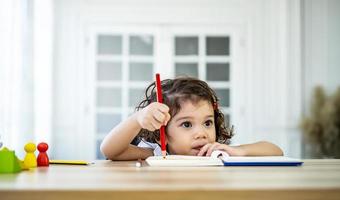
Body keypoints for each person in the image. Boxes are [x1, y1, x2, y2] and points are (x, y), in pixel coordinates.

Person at [100, 76, 283, 160]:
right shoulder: (158, 155)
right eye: (187, 124)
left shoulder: (216, 153)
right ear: (160, 134)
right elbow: (110, 150)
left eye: (207, 123)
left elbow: (275, 150)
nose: (201, 133)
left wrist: (239, 151)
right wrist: (137, 119)